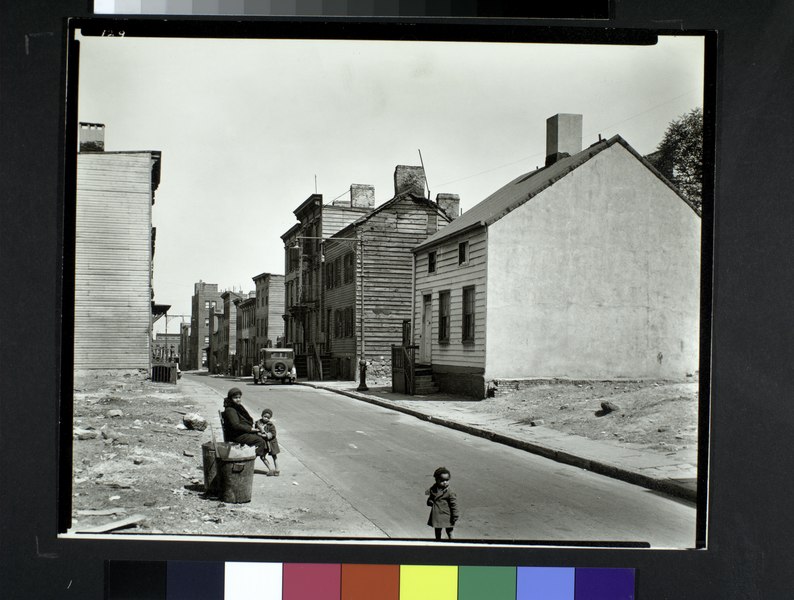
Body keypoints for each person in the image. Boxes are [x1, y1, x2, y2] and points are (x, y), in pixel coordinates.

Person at [221, 387, 271, 471]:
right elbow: (235, 425)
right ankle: (247, 463)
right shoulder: (230, 410)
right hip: (235, 435)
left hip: (239, 433)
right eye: (235, 398)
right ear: (230, 398)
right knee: (260, 441)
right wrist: (250, 429)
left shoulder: (235, 407)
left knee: (261, 437)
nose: (238, 399)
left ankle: (253, 459)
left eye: (239, 397)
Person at [426, 466, 459, 541]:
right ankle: (438, 542)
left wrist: (455, 515)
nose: (445, 482)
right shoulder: (433, 489)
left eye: (447, 480)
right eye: (442, 480)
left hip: (447, 515)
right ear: (436, 480)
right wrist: (430, 501)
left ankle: (453, 543)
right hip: (437, 515)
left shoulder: (450, 492)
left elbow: (454, 505)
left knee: (450, 531)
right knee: (437, 530)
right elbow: (431, 497)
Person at [255, 408, 281, 476]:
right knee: (262, 456)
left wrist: (264, 435)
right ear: (262, 415)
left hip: (271, 443)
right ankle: (270, 469)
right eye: (265, 416)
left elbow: (273, 434)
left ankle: (277, 469)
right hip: (264, 444)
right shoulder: (258, 423)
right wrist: (258, 432)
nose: (266, 418)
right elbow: (255, 431)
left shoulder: (270, 425)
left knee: (274, 456)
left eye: (268, 417)